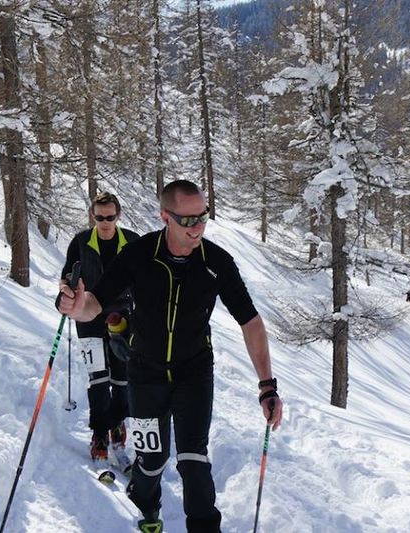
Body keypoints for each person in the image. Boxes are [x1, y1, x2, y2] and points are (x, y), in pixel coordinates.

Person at [58, 180, 283, 533]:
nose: (197, 227)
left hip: (194, 373)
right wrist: (75, 306)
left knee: (194, 460)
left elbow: (251, 322)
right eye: (188, 220)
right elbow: (94, 304)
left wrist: (267, 385)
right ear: (165, 216)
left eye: (203, 217)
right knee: (151, 461)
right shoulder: (138, 254)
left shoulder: (217, 262)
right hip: (144, 374)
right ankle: (147, 507)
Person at [60, 191, 139, 463]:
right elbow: (66, 276)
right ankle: (99, 433)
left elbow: (145, 281)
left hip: (121, 317)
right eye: (100, 217)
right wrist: (67, 290)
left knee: (121, 378)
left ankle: (117, 423)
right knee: (98, 378)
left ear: (118, 216)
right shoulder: (81, 242)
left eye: (110, 217)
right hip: (88, 317)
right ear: (92, 216)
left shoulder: (132, 241)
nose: (105, 223)